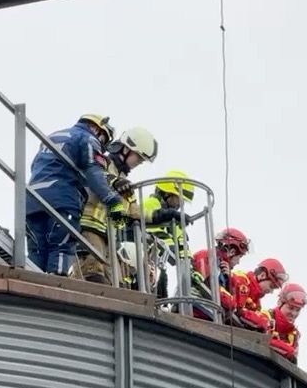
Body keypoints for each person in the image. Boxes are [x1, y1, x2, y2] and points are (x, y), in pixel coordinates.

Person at [25, 114, 125, 276]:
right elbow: (94, 173)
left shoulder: (52, 137)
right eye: (104, 139)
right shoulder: (88, 139)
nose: (102, 144)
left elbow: (35, 166)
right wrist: (113, 200)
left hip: (31, 199)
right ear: (97, 129)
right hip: (62, 199)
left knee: (37, 251)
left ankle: (30, 283)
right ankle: (55, 286)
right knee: (61, 248)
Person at [76, 127, 157, 284]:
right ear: (126, 149)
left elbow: (133, 211)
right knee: (92, 275)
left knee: (115, 284)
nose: (139, 163)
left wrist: (161, 215)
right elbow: (94, 177)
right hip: (89, 227)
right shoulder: (102, 163)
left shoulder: (125, 182)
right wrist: (114, 181)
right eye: (138, 158)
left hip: (109, 237)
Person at [142, 170, 195, 298]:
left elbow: (181, 239)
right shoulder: (150, 204)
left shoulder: (173, 217)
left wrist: (190, 266)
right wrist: (172, 250)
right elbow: (156, 233)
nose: (181, 204)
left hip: (156, 265)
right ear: (167, 193)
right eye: (179, 199)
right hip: (143, 261)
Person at [221, 258, 289, 331]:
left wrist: (265, 321)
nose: (271, 291)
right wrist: (263, 321)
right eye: (271, 286)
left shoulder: (256, 300)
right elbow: (239, 310)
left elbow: (257, 316)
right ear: (262, 276)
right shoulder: (242, 280)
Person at [269, 282, 307, 362]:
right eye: (291, 308)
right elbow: (262, 340)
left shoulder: (294, 335)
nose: (294, 313)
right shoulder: (266, 317)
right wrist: (288, 349)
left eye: (298, 310)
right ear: (280, 303)